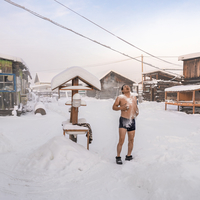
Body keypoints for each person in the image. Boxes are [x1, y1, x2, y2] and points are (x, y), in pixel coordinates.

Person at [112, 84, 139, 164]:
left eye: (128, 86)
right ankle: (118, 156)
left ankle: (128, 155)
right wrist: (121, 108)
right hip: (124, 120)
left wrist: (137, 111)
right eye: (125, 86)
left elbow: (135, 106)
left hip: (132, 120)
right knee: (121, 140)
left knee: (131, 140)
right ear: (122, 90)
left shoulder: (134, 97)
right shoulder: (120, 98)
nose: (127, 87)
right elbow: (114, 107)